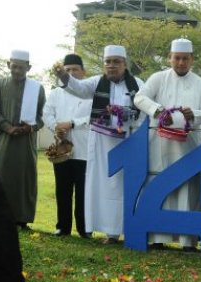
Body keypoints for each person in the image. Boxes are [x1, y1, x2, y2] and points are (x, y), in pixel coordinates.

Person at [54, 45, 145, 244]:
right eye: (108, 62)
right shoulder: (97, 82)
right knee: (105, 187)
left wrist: (125, 117)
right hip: (102, 143)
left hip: (129, 143)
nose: (111, 66)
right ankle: (110, 233)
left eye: (116, 62)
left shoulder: (137, 83)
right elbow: (78, 88)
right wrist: (62, 74)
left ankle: (130, 230)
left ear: (124, 64)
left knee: (127, 187)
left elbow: (143, 110)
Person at [134, 38, 201, 251]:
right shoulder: (158, 78)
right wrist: (159, 111)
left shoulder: (200, 83)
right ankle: (157, 237)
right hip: (159, 145)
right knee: (158, 186)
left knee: (188, 189)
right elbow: (139, 99)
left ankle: (188, 241)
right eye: (177, 58)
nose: (180, 63)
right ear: (170, 58)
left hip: (189, 147)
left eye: (185, 59)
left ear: (192, 60)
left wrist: (192, 113)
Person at [0, 49, 45, 229]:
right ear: (8, 65)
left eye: (21, 68)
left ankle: (21, 219)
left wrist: (32, 126)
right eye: (14, 67)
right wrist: (8, 127)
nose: (17, 71)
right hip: (3, 140)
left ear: (29, 67)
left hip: (25, 143)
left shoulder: (37, 89)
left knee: (24, 179)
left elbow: (43, 115)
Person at [43, 53, 91, 238]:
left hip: (84, 148)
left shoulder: (90, 92)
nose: (70, 73)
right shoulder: (56, 93)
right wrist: (56, 127)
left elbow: (95, 116)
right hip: (62, 148)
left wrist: (72, 123)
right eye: (67, 70)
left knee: (83, 191)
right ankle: (62, 227)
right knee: (62, 189)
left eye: (74, 70)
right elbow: (46, 113)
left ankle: (84, 228)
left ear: (83, 72)